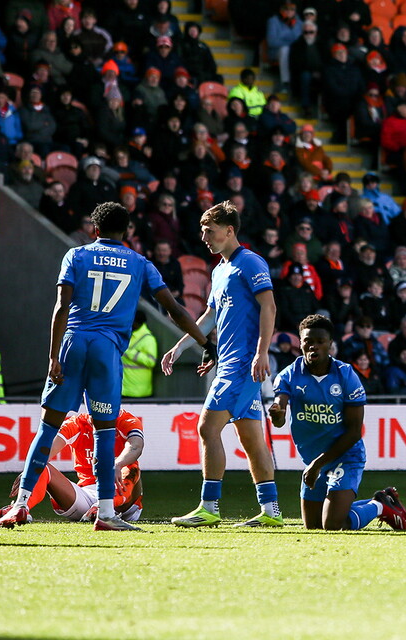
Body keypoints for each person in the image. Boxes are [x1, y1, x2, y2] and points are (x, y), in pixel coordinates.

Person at [0, 202, 212, 531]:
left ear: (93, 229)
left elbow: (61, 307)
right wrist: (206, 343)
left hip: (73, 344)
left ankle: (21, 505)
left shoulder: (76, 256)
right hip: (107, 351)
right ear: (127, 232)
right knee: (104, 430)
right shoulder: (140, 263)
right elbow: (175, 309)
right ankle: (106, 514)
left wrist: (53, 356)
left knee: (48, 427)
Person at [161, 201, 283, 528]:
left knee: (206, 428)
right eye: (202, 231)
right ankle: (271, 512)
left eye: (209, 231)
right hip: (230, 363)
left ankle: (208, 507)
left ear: (229, 231)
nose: (204, 237)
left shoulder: (250, 263)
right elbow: (209, 318)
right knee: (252, 439)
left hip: (241, 366)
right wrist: (180, 345)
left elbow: (268, 307)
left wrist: (261, 353)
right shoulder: (218, 271)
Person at [269, 314, 406, 530]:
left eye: (320, 342)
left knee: (333, 524)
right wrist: (278, 413)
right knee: (313, 527)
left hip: (345, 456)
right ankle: (384, 500)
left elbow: (354, 432)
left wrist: (317, 465)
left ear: (330, 344)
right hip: (313, 460)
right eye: (308, 341)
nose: (313, 347)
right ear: (300, 343)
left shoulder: (346, 376)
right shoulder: (288, 375)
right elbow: (279, 411)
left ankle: (379, 507)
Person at [0, 410, 145, 524]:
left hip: (122, 496)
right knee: (42, 464)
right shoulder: (76, 423)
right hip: (86, 495)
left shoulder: (126, 419)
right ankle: (20, 508)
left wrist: (117, 464)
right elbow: (49, 448)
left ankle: (104, 508)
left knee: (131, 467)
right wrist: (31, 471)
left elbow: (136, 446)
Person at [122, 310, 158, 398]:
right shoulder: (127, 334)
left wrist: (129, 352)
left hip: (139, 392)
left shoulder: (148, 339)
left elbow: (151, 361)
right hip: (123, 390)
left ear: (136, 322)